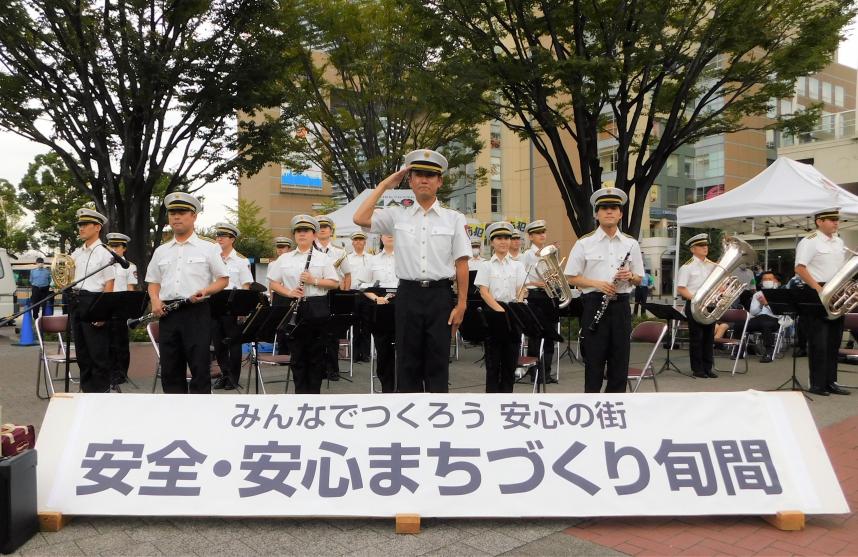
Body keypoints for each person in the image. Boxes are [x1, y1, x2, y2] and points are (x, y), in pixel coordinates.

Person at [353, 148, 470, 393]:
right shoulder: (396, 215)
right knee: (407, 362)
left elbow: (461, 263)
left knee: (438, 362)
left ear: (440, 181)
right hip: (407, 295)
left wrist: (461, 305)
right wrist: (386, 184)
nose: (424, 179)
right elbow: (359, 218)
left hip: (440, 296)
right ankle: (410, 425)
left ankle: (438, 424)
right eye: (418, 174)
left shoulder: (454, 219)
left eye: (430, 175)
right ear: (410, 179)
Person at [145, 193, 229, 394]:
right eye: (172, 213)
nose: (176, 217)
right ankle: (175, 418)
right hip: (168, 313)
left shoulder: (208, 248)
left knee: (199, 368)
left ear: (194, 216)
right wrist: (155, 300)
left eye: (182, 213)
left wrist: (206, 290)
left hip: (196, 311)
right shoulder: (161, 251)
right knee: (170, 369)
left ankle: (200, 418)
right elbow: (153, 281)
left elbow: (223, 279)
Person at [565, 188, 644, 393]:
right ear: (596, 214)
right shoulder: (584, 243)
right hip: (593, 305)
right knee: (594, 362)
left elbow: (639, 278)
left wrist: (630, 276)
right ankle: (592, 409)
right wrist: (597, 284)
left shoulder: (631, 243)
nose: (609, 212)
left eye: (614, 208)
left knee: (620, 362)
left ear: (620, 214)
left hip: (620, 306)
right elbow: (571, 277)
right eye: (604, 208)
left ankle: (615, 409)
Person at [266, 215, 339, 394]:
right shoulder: (284, 258)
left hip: (317, 306)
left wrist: (313, 280)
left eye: (306, 231)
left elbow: (334, 283)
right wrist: (289, 292)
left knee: (316, 356)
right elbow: (274, 283)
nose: (302, 234)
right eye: (298, 231)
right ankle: (300, 395)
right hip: (295, 307)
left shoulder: (323, 258)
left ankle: (314, 395)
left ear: (314, 235)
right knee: (297, 355)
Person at [795, 208, 850, 396]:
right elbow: (800, 269)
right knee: (819, 342)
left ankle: (830, 381)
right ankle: (817, 384)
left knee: (834, 340)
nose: (836, 223)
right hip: (817, 290)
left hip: (836, 291)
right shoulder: (810, 241)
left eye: (837, 220)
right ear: (819, 221)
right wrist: (819, 289)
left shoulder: (839, 241)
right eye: (832, 220)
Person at [475, 222, 526, 393]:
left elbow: (522, 289)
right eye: (498, 238)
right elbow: (484, 292)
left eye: (506, 238)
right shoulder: (485, 265)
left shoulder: (518, 265)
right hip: (494, 314)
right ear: (492, 242)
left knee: (510, 363)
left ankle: (507, 401)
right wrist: (500, 310)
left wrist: (517, 304)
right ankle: (491, 403)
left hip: (513, 313)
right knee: (493, 364)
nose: (503, 241)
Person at [70, 208, 116, 393]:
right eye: (79, 224)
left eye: (85, 225)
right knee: (82, 352)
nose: (81, 228)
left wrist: (103, 311)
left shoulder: (105, 253)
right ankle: (87, 390)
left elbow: (109, 283)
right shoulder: (76, 253)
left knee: (97, 351)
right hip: (76, 300)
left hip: (94, 300)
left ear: (97, 227)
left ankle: (101, 392)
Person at [211, 222, 253, 391]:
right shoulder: (212, 257)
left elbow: (246, 285)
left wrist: (242, 310)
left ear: (232, 239)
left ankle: (233, 378)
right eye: (218, 236)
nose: (219, 238)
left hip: (233, 304)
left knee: (234, 343)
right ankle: (224, 374)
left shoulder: (241, 261)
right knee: (218, 343)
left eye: (223, 236)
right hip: (214, 302)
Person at [522, 219, 559, 383]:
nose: (542, 235)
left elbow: (555, 273)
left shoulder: (549, 253)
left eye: (543, 232)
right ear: (530, 237)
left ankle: (546, 373)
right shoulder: (527, 255)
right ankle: (534, 372)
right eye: (537, 233)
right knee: (536, 336)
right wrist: (538, 283)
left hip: (549, 296)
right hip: (535, 296)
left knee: (550, 335)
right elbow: (521, 280)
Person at [677, 233, 718, 379]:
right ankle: (698, 369)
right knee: (697, 338)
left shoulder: (713, 265)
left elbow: (718, 284)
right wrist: (697, 299)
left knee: (709, 338)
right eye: (701, 246)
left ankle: (708, 368)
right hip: (695, 304)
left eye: (705, 245)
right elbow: (681, 289)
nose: (705, 248)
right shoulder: (687, 267)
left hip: (710, 304)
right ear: (693, 249)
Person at [315, 215, 351, 381]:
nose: (322, 229)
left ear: (331, 231)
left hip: (334, 293)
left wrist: (345, 295)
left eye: (326, 226)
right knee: (316, 333)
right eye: (319, 226)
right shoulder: (310, 249)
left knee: (332, 334)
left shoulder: (339, 251)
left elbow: (348, 274)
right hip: (314, 292)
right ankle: (319, 369)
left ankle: (333, 369)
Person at [362, 233, 398, 392]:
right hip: (381, 307)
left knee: (405, 350)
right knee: (383, 351)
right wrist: (376, 298)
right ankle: (387, 389)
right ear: (381, 238)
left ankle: (404, 388)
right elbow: (363, 284)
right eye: (386, 233)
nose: (390, 236)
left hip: (403, 306)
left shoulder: (407, 258)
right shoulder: (373, 260)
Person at [105, 233, 137, 389]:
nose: (113, 249)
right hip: (105, 305)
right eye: (111, 246)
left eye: (117, 246)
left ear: (124, 248)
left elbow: (131, 288)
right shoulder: (104, 265)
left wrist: (130, 310)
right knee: (107, 341)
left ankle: (122, 373)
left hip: (121, 306)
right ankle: (109, 371)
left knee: (120, 342)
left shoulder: (130, 266)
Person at [748, 271, 784, 363]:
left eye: (769, 279)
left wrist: (766, 304)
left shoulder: (780, 294)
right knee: (740, 324)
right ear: (761, 282)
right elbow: (753, 312)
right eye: (765, 279)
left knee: (766, 324)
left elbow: (779, 313)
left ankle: (768, 352)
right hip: (758, 318)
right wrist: (760, 305)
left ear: (775, 280)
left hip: (774, 320)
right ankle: (741, 350)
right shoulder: (757, 294)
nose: (767, 281)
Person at [347, 231, 372, 362]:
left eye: (360, 240)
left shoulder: (371, 258)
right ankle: (355, 354)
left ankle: (366, 353)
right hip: (353, 293)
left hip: (367, 294)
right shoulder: (348, 258)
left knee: (367, 324)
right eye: (355, 240)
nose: (358, 242)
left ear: (364, 242)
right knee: (355, 325)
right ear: (352, 242)